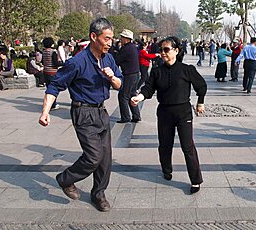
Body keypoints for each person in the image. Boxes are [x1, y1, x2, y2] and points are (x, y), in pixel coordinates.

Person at [38, 17, 123, 212]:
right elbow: (55, 86)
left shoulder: (109, 57)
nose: (111, 43)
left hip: (101, 111)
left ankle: (98, 194)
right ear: (94, 37)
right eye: (107, 38)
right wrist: (45, 112)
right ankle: (65, 179)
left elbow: (120, 84)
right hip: (83, 112)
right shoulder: (77, 62)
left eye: (112, 38)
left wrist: (112, 78)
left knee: (105, 158)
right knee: (93, 156)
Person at [131, 36, 207, 194]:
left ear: (176, 51)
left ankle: (195, 180)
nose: (163, 53)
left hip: (183, 112)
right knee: (165, 145)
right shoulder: (157, 71)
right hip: (164, 112)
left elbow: (201, 86)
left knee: (188, 147)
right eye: (161, 50)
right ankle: (167, 170)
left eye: (166, 49)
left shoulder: (187, 69)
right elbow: (149, 89)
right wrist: (139, 97)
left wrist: (200, 102)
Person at [115, 29, 141, 123]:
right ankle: (136, 115)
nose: (120, 39)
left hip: (129, 75)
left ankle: (125, 117)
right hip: (135, 74)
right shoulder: (133, 47)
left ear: (126, 39)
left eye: (122, 37)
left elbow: (117, 60)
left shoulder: (126, 48)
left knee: (123, 96)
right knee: (132, 95)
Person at [42, 37, 64, 110]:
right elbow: (56, 63)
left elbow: (42, 62)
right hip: (52, 72)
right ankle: (53, 105)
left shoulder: (44, 52)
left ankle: (49, 104)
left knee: (48, 88)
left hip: (45, 72)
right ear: (51, 44)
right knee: (53, 89)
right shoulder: (53, 52)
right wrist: (63, 64)